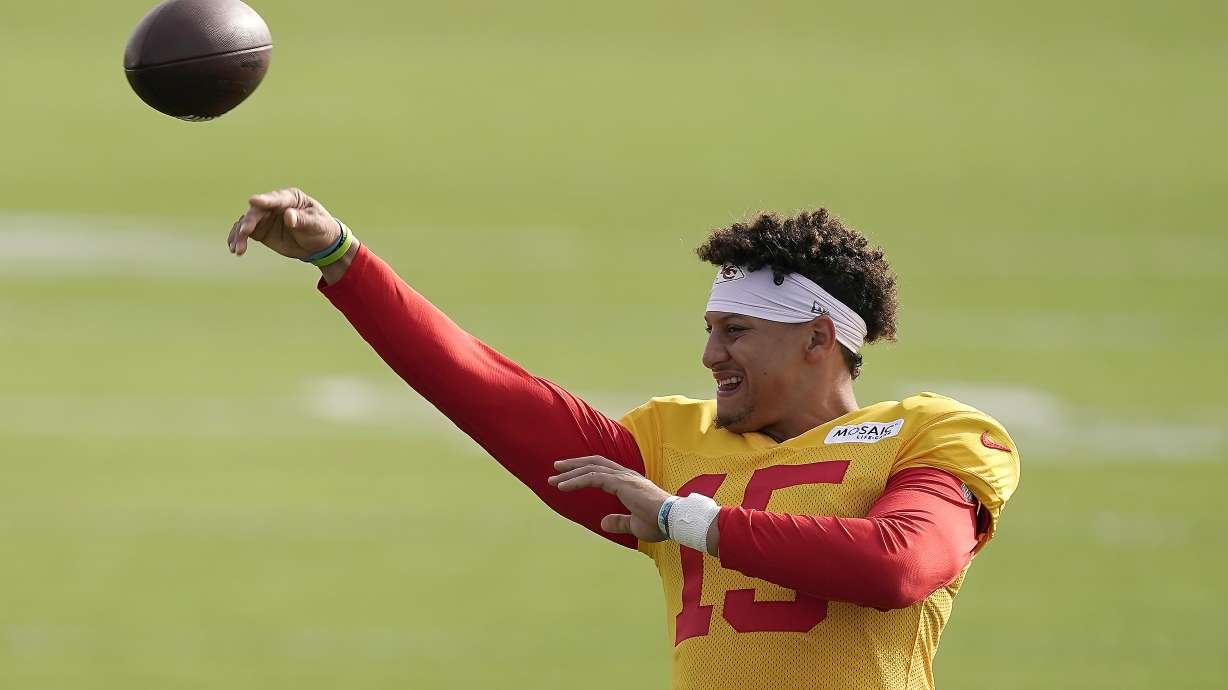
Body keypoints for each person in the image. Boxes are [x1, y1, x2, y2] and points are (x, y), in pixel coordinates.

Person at [227, 188, 1021, 690]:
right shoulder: (672, 444)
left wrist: (682, 518)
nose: (710, 355)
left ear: (817, 338)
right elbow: (489, 392)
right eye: (709, 329)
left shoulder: (929, 433)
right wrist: (342, 259)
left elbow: (899, 565)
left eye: (736, 331)